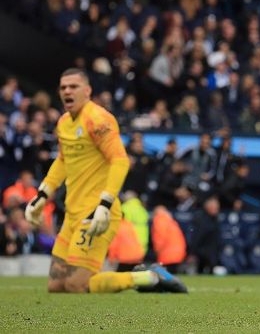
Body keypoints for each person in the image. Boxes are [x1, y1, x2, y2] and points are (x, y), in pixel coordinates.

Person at [24, 68, 186, 293]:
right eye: (63, 87)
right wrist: (42, 195)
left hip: (96, 213)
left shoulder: (99, 119)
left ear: (87, 91)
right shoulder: (63, 123)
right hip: (72, 213)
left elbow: (120, 161)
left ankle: (149, 277)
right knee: (56, 286)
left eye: (73, 86)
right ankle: (148, 277)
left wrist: (105, 204)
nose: (67, 91)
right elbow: (62, 160)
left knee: (75, 285)